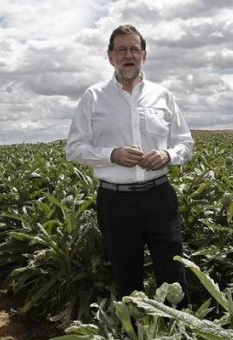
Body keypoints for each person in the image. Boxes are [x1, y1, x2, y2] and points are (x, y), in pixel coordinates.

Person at [65, 24, 194, 304]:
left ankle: (180, 329)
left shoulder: (163, 96)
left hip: (160, 197)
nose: (128, 55)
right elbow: (74, 148)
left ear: (144, 55)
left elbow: (186, 143)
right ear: (110, 56)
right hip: (116, 201)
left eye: (134, 49)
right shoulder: (93, 97)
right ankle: (134, 330)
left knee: (174, 273)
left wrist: (168, 156)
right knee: (126, 277)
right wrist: (112, 155)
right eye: (121, 49)